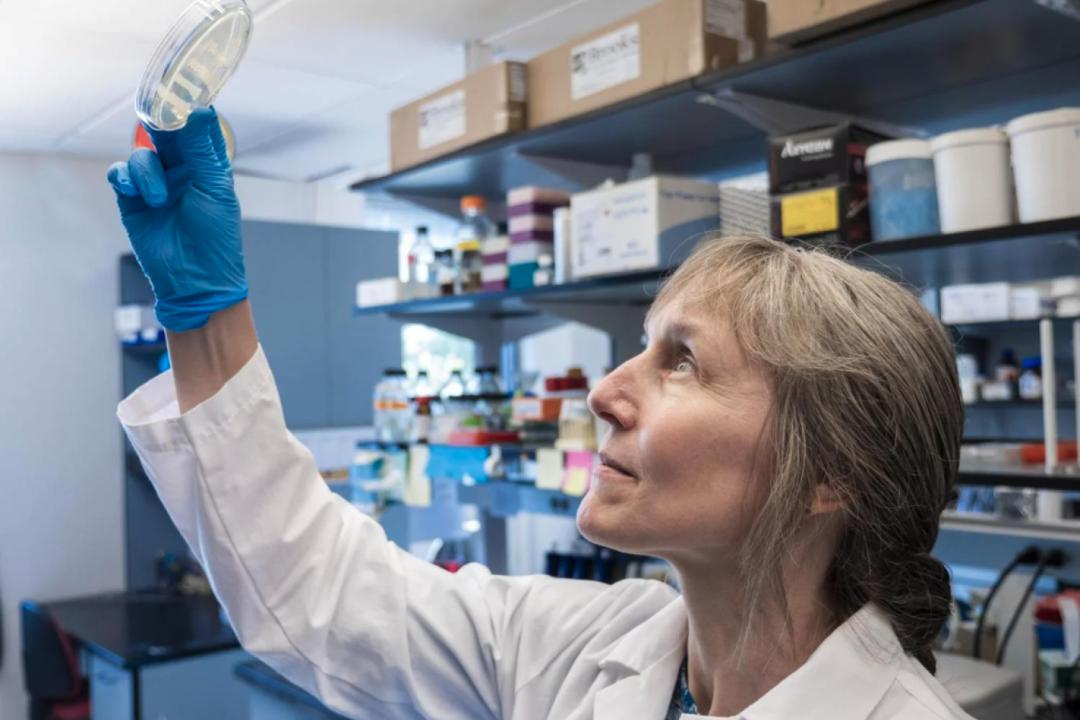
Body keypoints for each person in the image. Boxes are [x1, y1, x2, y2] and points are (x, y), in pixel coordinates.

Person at [108, 109, 975, 720]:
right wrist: (204, 313)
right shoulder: (586, 642)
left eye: (684, 360)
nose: (603, 392)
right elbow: (323, 594)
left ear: (833, 472)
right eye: (643, 344)